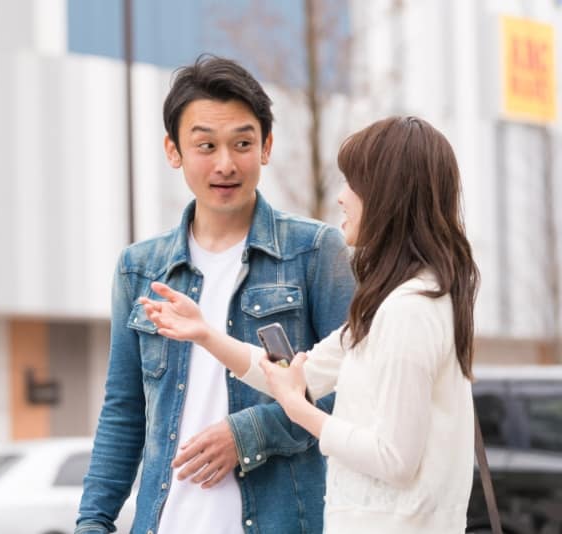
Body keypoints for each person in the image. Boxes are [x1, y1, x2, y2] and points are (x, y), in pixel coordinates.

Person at [141, 116, 481, 533]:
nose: (342, 197)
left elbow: (395, 459)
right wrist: (206, 334)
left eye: (353, 183)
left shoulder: (409, 311)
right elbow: (298, 373)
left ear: (388, 195)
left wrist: (300, 411)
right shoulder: (394, 304)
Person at [75, 55, 355, 534]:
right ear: (174, 150)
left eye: (242, 143)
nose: (225, 164)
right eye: (205, 145)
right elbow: (124, 412)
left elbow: (350, 392)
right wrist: (93, 522)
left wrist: (247, 433)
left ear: (266, 146)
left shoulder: (314, 251)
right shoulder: (139, 269)